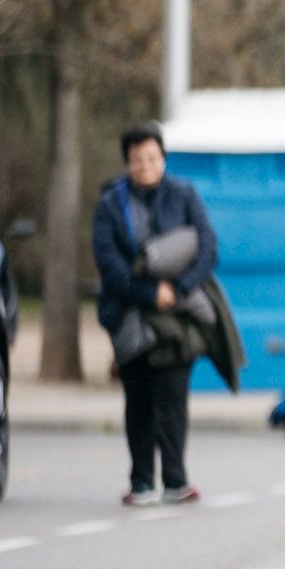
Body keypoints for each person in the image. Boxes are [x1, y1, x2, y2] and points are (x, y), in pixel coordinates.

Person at [91, 123, 219, 507]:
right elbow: (108, 262)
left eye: (151, 157)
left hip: (176, 318)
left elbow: (207, 250)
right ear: (127, 162)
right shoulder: (110, 204)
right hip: (129, 316)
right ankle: (141, 481)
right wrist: (149, 293)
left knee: (173, 399)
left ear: (162, 158)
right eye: (137, 159)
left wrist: (176, 290)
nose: (144, 165)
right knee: (139, 401)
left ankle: (176, 480)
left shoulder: (184, 195)